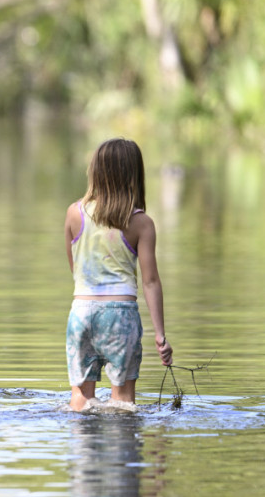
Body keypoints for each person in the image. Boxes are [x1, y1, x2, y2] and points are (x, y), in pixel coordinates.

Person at [63, 138, 174, 410]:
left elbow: (75, 270)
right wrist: (160, 335)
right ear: (134, 174)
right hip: (120, 315)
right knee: (122, 403)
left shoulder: (74, 213)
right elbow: (150, 281)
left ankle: (83, 449)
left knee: (80, 399)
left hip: (81, 312)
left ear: (95, 172)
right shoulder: (140, 223)